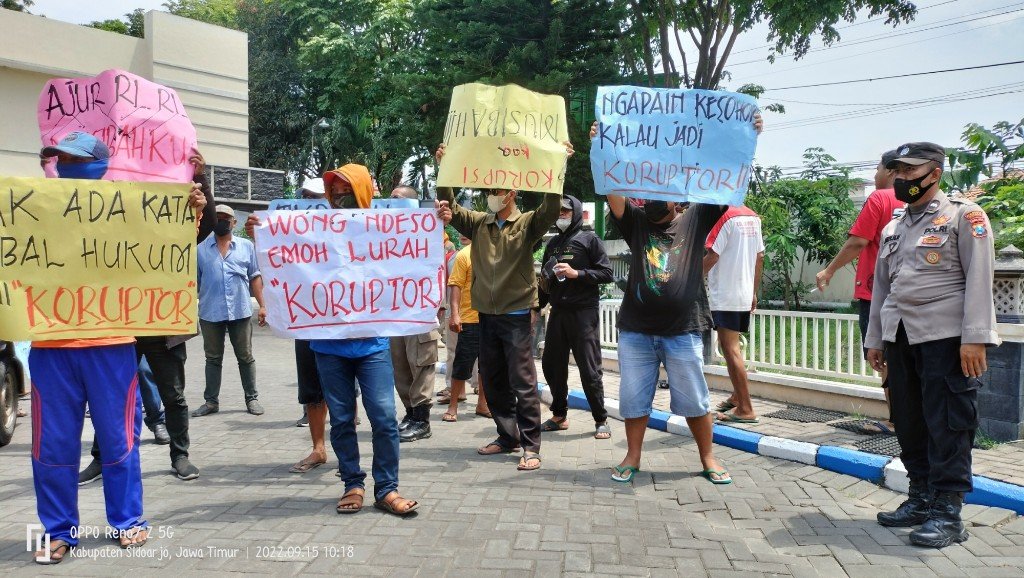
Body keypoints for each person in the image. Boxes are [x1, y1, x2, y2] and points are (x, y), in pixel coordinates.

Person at [31, 132, 207, 562]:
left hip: (110, 343)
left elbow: (167, 249)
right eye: (60, 158)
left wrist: (192, 213)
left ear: (98, 163)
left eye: (74, 157)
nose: (64, 164)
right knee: (51, 445)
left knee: (119, 439)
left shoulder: (127, 205)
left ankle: (127, 521)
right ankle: (56, 532)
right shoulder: (32, 205)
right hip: (50, 342)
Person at [591, 115, 762, 485]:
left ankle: (708, 458)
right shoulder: (634, 223)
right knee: (634, 400)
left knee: (695, 401)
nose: (652, 197)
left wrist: (747, 138)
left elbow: (728, 180)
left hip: (684, 330)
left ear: (676, 198)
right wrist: (602, 145)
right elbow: (612, 190)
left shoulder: (696, 217)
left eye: (660, 192)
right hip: (636, 331)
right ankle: (632, 456)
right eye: (647, 191)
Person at [249, 164, 418, 515]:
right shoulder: (313, 231)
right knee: (341, 420)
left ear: (363, 192)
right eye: (334, 191)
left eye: (346, 190)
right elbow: (285, 261)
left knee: (385, 418)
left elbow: (416, 260)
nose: (339, 197)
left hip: (372, 346)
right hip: (328, 348)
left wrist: (439, 225)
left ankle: (387, 488)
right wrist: (260, 235)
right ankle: (353, 483)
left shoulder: (382, 232)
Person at [866, 142, 999, 548]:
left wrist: (975, 338)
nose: (901, 178)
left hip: (946, 338)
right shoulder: (895, 225)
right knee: (909, 420)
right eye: (898, 171)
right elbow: (882, 289)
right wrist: (875, 339)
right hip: (901, 336)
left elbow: (980, 277)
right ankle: (920, 497)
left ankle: (948, 512)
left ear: (934, 173)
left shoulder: (964, 216)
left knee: (949, 423)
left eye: (909, 171)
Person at [435, 140, 573, 472]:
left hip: (516, 315)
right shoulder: (478, 223)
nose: (491, 195)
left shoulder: (527, 225)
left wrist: (558, 167)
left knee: (522, 381)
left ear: (510, 195)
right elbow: (449, 203)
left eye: (497, 190)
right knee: (493, 381)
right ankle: (507, 436)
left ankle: (530, 445)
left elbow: (550, 209)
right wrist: (445, 166)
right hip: (486, 316)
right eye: (490, 190)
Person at [80, 151, 215, 485]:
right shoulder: (111, 216)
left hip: (163, 321)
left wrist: (202, 181)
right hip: (120, 321)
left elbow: (205, 226)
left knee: (174, 395)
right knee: (111, 394)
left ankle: (180, 456)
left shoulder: (172, 214)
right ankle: (101, 458)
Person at [817, 150, 903, 434]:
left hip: (876, 292)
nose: (874, 175)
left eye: (877, 168)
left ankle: (896, 420)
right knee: (903, 355)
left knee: (884, 356)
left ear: (891, 171)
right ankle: (911, 418)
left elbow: (858, 242)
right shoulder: (919, 201)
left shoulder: (880, 198)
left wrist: (828, 271)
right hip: (908, 292)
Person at [538, 195, 614, 439]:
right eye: (558, 211)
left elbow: (606, 273)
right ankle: (559, 415)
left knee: (589, 369)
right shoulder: (553, 244)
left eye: (566, 211)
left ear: (577, 213)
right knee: (552, 365)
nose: (561, 215)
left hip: (583, 313)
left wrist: (576, 273)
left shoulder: (589, 239)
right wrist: (536, 308)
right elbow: (544, 283)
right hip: (558, 312)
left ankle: (601, 419)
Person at [192, 205, 267, 418]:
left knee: (245, 356)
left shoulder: (246, 247)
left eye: (227, 218)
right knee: (213, 358)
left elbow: (255, 276)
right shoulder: (200, 249)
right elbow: (194, 283)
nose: (223, 221)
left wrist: (262, 306)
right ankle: (210, 401)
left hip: (240, 311)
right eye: (219, 217)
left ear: (234, 223)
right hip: (210, 312)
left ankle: (252, 398)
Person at [388, 185, 442, 443]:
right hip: (395, 312)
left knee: (421, 363)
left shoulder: (429, 230)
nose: (391, 202)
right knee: (400, 366)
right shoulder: (383, 231)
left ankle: (422, 420)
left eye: (397, 199)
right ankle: (410, 414)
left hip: (420, 309)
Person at [703, 204, 764, 424]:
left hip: (726, 294)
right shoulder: (753, 216)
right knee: (728, 346)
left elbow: (712, 257)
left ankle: (745, 408)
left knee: (730, 348)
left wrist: (689, 281)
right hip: (743, 293)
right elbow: (760, 257)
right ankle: (738, 395)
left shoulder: (724, 218)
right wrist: (754, 291)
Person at [442, 234, 490, 422]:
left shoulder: (496, 253)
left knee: (487, 366)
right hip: (469, 319)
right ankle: (453, 406)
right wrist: (455, 314)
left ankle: (482, 404)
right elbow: (455, 286)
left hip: (492, 319)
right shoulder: (464, 255)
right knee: (462, 363)